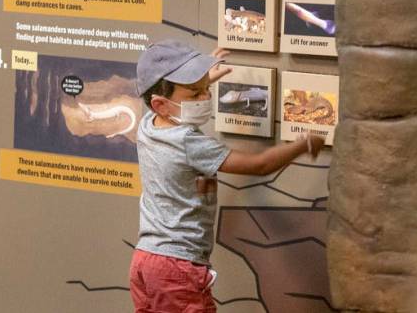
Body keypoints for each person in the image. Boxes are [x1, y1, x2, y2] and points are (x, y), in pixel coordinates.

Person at [130, 40, 325, 313]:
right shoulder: (188, 142)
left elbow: (173, 100)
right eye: (195, 93)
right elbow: (259, 165)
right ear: (161, 104)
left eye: (205, 89)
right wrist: (302, 145)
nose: (205, 98)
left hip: (146, 260)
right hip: (178, 267)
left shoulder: (148, 126)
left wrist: (203, 79)